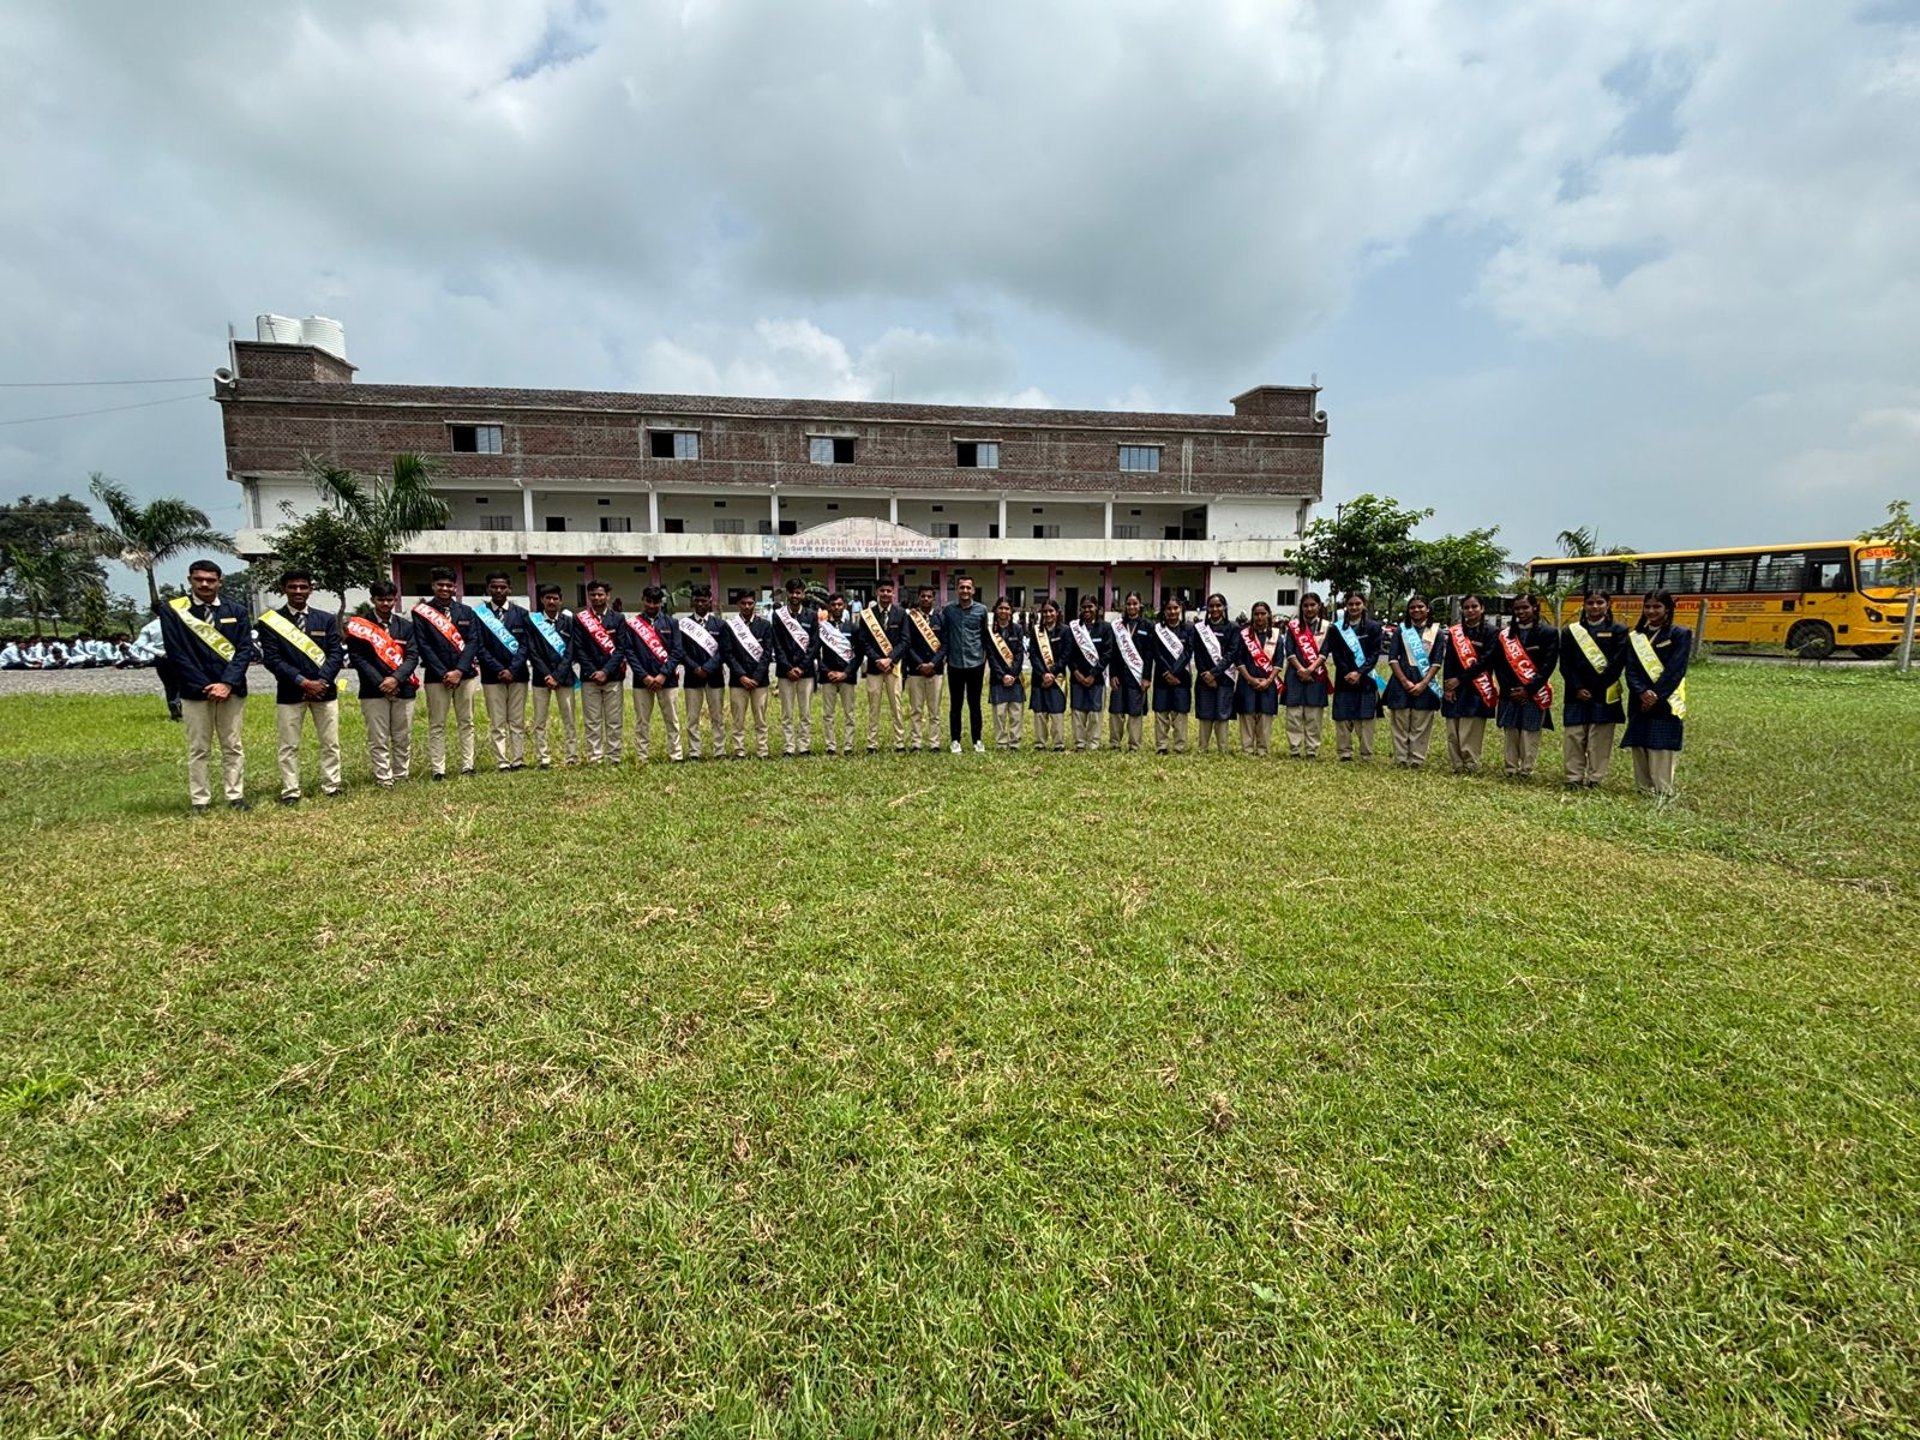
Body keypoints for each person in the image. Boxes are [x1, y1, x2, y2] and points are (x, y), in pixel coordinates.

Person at [159, 557, 254, 813]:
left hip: (231, 690)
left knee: (232, 745)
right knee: (199, 748)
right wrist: (205, 685)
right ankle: (200, 799)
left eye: (210, 580)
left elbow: (245, 650)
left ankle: (235, 795)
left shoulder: (236, 611)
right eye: (199, 579)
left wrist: (226, 683)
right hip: (195, 691)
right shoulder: (174, 611)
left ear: (219, 582)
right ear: (190, 580)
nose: (204, 584)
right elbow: (176, 653)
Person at [256, 568, 346, 804]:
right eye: (293, 587)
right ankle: (291, 791)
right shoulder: (271, 622)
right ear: (284, 589)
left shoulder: (325, 619)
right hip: (290, 691)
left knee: (330, 742)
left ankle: (332, 785)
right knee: (289, 745)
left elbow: (336, 654)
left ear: (310, 589)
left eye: (303, 587)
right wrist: (303, 681)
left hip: (325, 692)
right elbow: (272, 659)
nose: (298, 591)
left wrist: (323, 681)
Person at [345, 580, 420, 788]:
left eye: (389, 599)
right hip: (373, 690)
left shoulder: (406, 627)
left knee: (402, 736)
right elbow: (358, 658)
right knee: (378, 738)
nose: (385, 604)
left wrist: (396, 678)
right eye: (381, 600)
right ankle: (384, 778)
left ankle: (401, 775)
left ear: (395, 600)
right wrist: (382, 682)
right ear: (372, 600)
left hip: (403, 688)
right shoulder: (360, 626)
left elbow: (412, 657)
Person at [411, 567, 482, 780]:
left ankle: (467, 765)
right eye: (440, 585)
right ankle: (438, 769)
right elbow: (423, 645)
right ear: (433, 586)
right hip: (436, 676)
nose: (445, 588)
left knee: (466, 721)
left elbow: (473, 642)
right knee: (437, 723)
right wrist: (445, 673)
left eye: (449, 585)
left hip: (465, 676)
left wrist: (459, 671)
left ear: (455, 587)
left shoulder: (466, 612)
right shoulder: (421, 613)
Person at [1622, 589, 1692, 796]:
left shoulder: (1680, 634)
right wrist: (1641, 691)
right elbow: (1631, 668)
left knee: (1661, 745)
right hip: (1639, 698)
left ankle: (1663, 789)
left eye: (1657, 606)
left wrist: (1655, 694)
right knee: (1640, 742)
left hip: (1666, 699)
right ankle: (1643, 787)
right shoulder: (1636, 637)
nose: (1652, 611)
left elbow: (1676, 669)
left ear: (1667, 609)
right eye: (1648, 607)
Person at [1559, 589, 1629, 788]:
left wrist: (1597, 686)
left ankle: (1595, 778)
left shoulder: (1619, 630)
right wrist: (1578, 687)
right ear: (1584, 605)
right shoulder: (1570, 631)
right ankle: (1573, 777)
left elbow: (1617, 664)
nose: (1595, 606)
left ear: (1609, 604)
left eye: (1599, 602)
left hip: (1604, 692)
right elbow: (1565, 664)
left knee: (1600, 739)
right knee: (1574, 737)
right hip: (1575, 693)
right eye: (1590, 603)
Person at [470, 571, 533, 771]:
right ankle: (502, 761)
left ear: (509, 589)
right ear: (488, 589)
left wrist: (512, 669)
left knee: (517, 720)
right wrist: (499, 669)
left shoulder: (521, 613)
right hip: (492, 676)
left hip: (518, 675)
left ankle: (518, 759)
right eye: (494, 587)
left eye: (502, 587)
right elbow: (479, 646)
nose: (498, 590)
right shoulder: (479, 614)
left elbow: (525, 645)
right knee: (497, 722)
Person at [1493, 591, 1559, 781]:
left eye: (1525, 607)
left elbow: (1548, 664)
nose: (1521, 612)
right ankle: (1510, 767)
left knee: (1530, 731)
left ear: (1535, 608)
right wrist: (1510, 688)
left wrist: (1528, 689)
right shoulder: (1505, 635)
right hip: (1510, 691)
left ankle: (1526, 769)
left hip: (1534, 691)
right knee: (1511, 730)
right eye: (1517, 608)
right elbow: (1499, 664)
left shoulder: (1549, 633)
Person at [623, 584, 684, 763]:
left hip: (667, 680)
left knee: (672, 719)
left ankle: (676, 755)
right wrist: (644, 676)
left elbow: (677, 651)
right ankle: (642, 756)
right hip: (642, 681)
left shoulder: (671, 623)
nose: (651, 605)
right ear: (643, 600)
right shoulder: (632, 625)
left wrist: (663, 674)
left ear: (661, 603)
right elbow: (630, 652)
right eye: (648, 601)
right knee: (642, 721)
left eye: (656, 602)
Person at [1440, 594, 1499, 774]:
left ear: (1482, 608)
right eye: (1466, 607)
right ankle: (1457, 764)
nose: (1470, 610)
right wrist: (1448, 685)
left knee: (1470, 729)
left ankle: (1471, 765)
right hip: (1454, 686)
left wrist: (1460, 679)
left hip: (1477, 687)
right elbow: (1449, 659)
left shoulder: (1492, 632)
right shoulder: (1455, 632)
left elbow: (1486, 661)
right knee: (1453, 729)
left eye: (1474, 606)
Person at [1383, 595, 1443, 769]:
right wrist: (1404, 681)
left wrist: (1424, 683)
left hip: (1425, 681)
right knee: (1400, 722)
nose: (1416, 610)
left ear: (1428, 609)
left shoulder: (1436, 632)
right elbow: (1392, 658)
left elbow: (1437, 661)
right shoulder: (1401, 630)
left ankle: (1416, 759)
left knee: (1421, 722)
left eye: (1420, 607)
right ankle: (1401, 758)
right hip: (1401, 680)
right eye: (1412, 607)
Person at [571, 579, 626, 764]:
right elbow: (578, 648)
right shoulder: (580, 619)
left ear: (607, 596)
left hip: (613, 677)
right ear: (589, 596)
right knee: (592, 720)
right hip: (589, 678)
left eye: (600, 594)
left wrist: (606, 671)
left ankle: (614, 756)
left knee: (614, 720)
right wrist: (593, 671)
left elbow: (621, 649)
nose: (596, 597)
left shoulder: (618, 618)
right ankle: (595, 756)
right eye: (593, 594)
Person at [526, 583, 579, 769]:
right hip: (541, 679)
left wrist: (557, 675)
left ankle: (572, 756)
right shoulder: (533, 622)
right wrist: (547, 674)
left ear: (560, 600)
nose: (551, 601)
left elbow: (571, 651)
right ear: (541, 600)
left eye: (555, 598)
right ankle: (543, 758)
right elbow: (532, 651)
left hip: (564, 678)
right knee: (540, 720)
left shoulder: (569, 622)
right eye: (547, 598)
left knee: (569, 719)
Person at [855, 578, 911, 754]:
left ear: (893, 593)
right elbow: (863, 641)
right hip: (874, 668)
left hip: (894, 668)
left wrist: (891, 659)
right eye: (882, 591)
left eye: (888, 591)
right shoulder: (867, 615)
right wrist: (877, 659)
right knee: (874, 706)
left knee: (897, 705)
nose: (885, 594)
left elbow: (905, 640)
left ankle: (899, 742)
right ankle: (872, 743)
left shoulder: (901, 614)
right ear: (877, 592)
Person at [1327, 591, 1384, 762]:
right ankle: (1344, 752)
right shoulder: (1337, 629)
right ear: (1346, 606)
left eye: (1357, 603)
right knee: (1343, 716)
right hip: (1344, 679)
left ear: (1363, 604)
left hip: (1366, 679)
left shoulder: (1374, 627)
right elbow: (1336, 654)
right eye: (1350, 604)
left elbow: (1375, 654)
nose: (1354, 607)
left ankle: (1366, 753)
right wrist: (1348, 672)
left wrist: (1360, 672)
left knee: (1366, 717)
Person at [937, 575, 991, 753]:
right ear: (957, 590)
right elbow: (943, 635)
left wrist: (983, 661)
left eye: (968, 588)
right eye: (962, 588)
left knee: (975, 704)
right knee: (956, 704)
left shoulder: (981, 610)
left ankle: (977, 740)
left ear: (973, 590)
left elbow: (984, 637)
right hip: (955, 664)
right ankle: (955, 740)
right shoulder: (948, 610)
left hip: (975, 663)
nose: (965, 591)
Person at [721, 588, 774, 759]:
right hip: (738, 681)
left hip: (760, 681)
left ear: (755, 604)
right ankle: (739, 751)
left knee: (761, 718)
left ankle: (762, 750)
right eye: (743, 603)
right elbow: (728, 653)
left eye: (750, 603)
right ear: (738, 604)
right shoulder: (729, 626)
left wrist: (757, 677)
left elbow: (767, 654)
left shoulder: (765, 625)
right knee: (738, 719)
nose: (746, 606)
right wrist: (742, 676)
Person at [769, 578, 819, 757]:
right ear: (787, 594)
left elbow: (814, 645)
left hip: (806, 673)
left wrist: (802, 667)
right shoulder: (778, 615)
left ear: (803, 594)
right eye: (792, 592)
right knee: (787, 713)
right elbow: (777, 644)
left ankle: (804, 746)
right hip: (785, 672)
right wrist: (788, 667)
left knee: (805, 712)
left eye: (798, 592)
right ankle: (788, 747)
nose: (795, 596)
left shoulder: (812, 615)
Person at [677, 584, 727, 761]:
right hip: (692, 677)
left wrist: (707, 668)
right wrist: (695, 667)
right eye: (696, 600)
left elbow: (723, 651)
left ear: (710, 602)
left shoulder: (720, 625)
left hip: (714, 677)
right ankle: (694, 752)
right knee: (692, 718)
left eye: (703, 600)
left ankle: (719, 750)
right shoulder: (683, 625)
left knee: (718, 717)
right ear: (692, 602)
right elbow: (680, 651)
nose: (700, 604)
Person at [1281, 592, 1331, 759]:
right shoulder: (1293, 626)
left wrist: (1310, 669)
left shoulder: (1326, 627)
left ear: (1319, 606)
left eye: (1312, 605)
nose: (1309, 608)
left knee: (1313, 715)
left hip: (1317, 676)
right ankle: (1294, 749)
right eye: (1305, 605)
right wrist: (1301, 669)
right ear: (1301, 607)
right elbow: (1289, 651)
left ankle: (1312, 750)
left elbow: (1324, 652)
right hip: (1295, 675)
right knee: (1294, 715)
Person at [1147, 595, 1196, 755]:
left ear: (1181, 609)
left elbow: (1188, 652)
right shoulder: (1157, 629)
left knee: (1180, 713)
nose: (1172, 611)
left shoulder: (1189, 629)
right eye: (1169, 608)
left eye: (1175, 608)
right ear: (1164, 611)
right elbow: (1156, 652)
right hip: (1162, 677)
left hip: (1182, 677)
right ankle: (1161, 745)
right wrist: (1167, 672)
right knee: (1161, 713)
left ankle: (1179, 746)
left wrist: (1175, 671)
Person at [1233, 601, 1282, 756]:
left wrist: (1268, 680)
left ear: (1268, 615)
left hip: (1268, 683)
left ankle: (1262, 749)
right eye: (1256, 614)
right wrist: (1250, 679)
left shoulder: (1276, 635)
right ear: (1252, 616)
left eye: (1263, 613)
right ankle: (1247, 749)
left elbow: (1279, 661)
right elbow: (1238, 659)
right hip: (1247, 682)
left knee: (1265, 716)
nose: (1259, 617)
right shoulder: (1243, 634)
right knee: (1247, 715)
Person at [816, 591, 860, 756]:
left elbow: (858, 654)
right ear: (828, 607)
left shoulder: (853, 628)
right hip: (828, 677)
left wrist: (846, 673)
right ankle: (830, 746)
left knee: (849, 713)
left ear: (845, 606)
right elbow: (815, 653)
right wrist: (827, 671)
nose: (836, 608)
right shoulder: (822, 628)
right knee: (828, 714)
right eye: (833, 605)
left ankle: (848, 746)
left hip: (847, 677)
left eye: (839, 604)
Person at [1192, 592, 1237, 755]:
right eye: (1211, 606)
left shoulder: (1233, 628)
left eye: (1218, 605)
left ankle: (1222, 749)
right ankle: (1203, 747)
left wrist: (1215, 673)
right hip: (1204, 679)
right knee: (1205, 713)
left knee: (1222, 713)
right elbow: (1197, 653)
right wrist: (1206, 674)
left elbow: (1232, 653)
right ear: (1207, 608)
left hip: (1225, 678)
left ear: (1224, 607)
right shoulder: (1200, 629)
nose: (1215, 608)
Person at [902, 584, 946, 752]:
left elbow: (945, 645)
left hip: (936, 671)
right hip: (916, 671)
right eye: (923, 596)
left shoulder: (940, 619)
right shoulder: (910, 619)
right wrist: (920, 664)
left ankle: (934, 743)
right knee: (916, 709)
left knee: (934, 710)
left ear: (933, 599)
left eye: (929, 596)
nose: (926, 599)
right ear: (918, 598)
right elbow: (908, 644)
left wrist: (933, 663)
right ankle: (916, 743)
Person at [1106, 591, 1150, 753]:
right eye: (1129, 603)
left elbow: (1149, 654)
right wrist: (1112, 675)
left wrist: (1146, 677)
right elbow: (1113, 653)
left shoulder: (1147, 626)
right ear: (1125, 606)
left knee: (1134, 711)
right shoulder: (1117, 626)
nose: (1132, 606)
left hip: (1138, 676)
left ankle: (1134, 744)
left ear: (1140, 605)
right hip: (1119, 675)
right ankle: (1115, 743)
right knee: (1116, 711)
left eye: (1135, 603)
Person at [1067, 594, 1110, 752]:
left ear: (1096, 608)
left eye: (1090, 606)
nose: (1087, 610)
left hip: (1096, 678)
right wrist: (1076, 672)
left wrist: (1093, 674)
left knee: (1094, 712)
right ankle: (1079, 743)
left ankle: (1093, 743)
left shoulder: (1105, 628)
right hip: (1077, 677)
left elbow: (1107, 653)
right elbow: (1069, 653)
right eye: (1084, 607)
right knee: (1078, 712)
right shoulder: (1074, 628)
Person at [1028, 597, 1069, 751]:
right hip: (1039, 677)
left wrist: (1051, 673)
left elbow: (1066, 655)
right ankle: (1040, 743)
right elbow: (1033, 655)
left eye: (1051, 611)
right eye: (1045, 611)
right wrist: (1043, 674)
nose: (1048, 614)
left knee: (1057, 711)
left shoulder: (1065, 631)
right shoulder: (1036, 631)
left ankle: (1058, 743)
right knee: (1040, 711)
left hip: (1057, 678)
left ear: (1057, 613)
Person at [986, 596, 1026, 749]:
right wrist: (1002, 675)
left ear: (1011, 611)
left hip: (1015, 679)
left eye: (1007, 608)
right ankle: (1001, 742)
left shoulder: (1018, 629)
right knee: (1000, 713)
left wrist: (1013, 674)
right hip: (998, 678)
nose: (1003, 611)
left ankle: (1015, 742)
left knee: (1016, 712)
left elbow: (1020, 654)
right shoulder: (990, 631)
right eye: (1001, 608)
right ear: (996, 610)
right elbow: (991, 655)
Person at [136, 609, 180, 719]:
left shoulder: (149, 626)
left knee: (168, 684)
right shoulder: (178, 622)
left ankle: (172, 706)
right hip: (178, 656)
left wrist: (159, 652)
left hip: (161, 658)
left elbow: (140, 644)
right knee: (183, 682)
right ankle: (177, 702)